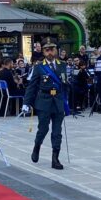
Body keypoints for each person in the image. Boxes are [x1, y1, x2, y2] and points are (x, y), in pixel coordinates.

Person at [21, 37, 69, 170]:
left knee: (57, 131)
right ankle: (37, 146)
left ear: (56, 50)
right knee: (43, 129)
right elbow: (32, 86)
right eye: (46, 50)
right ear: (43, 51)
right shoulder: (38, 67)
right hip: (44, 101)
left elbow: (65, 84)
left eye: (52, 49)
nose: (49, 52)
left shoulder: (62, 65)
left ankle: (55, 158)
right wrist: (26, 102)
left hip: (58, 101)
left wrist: (66, 100)